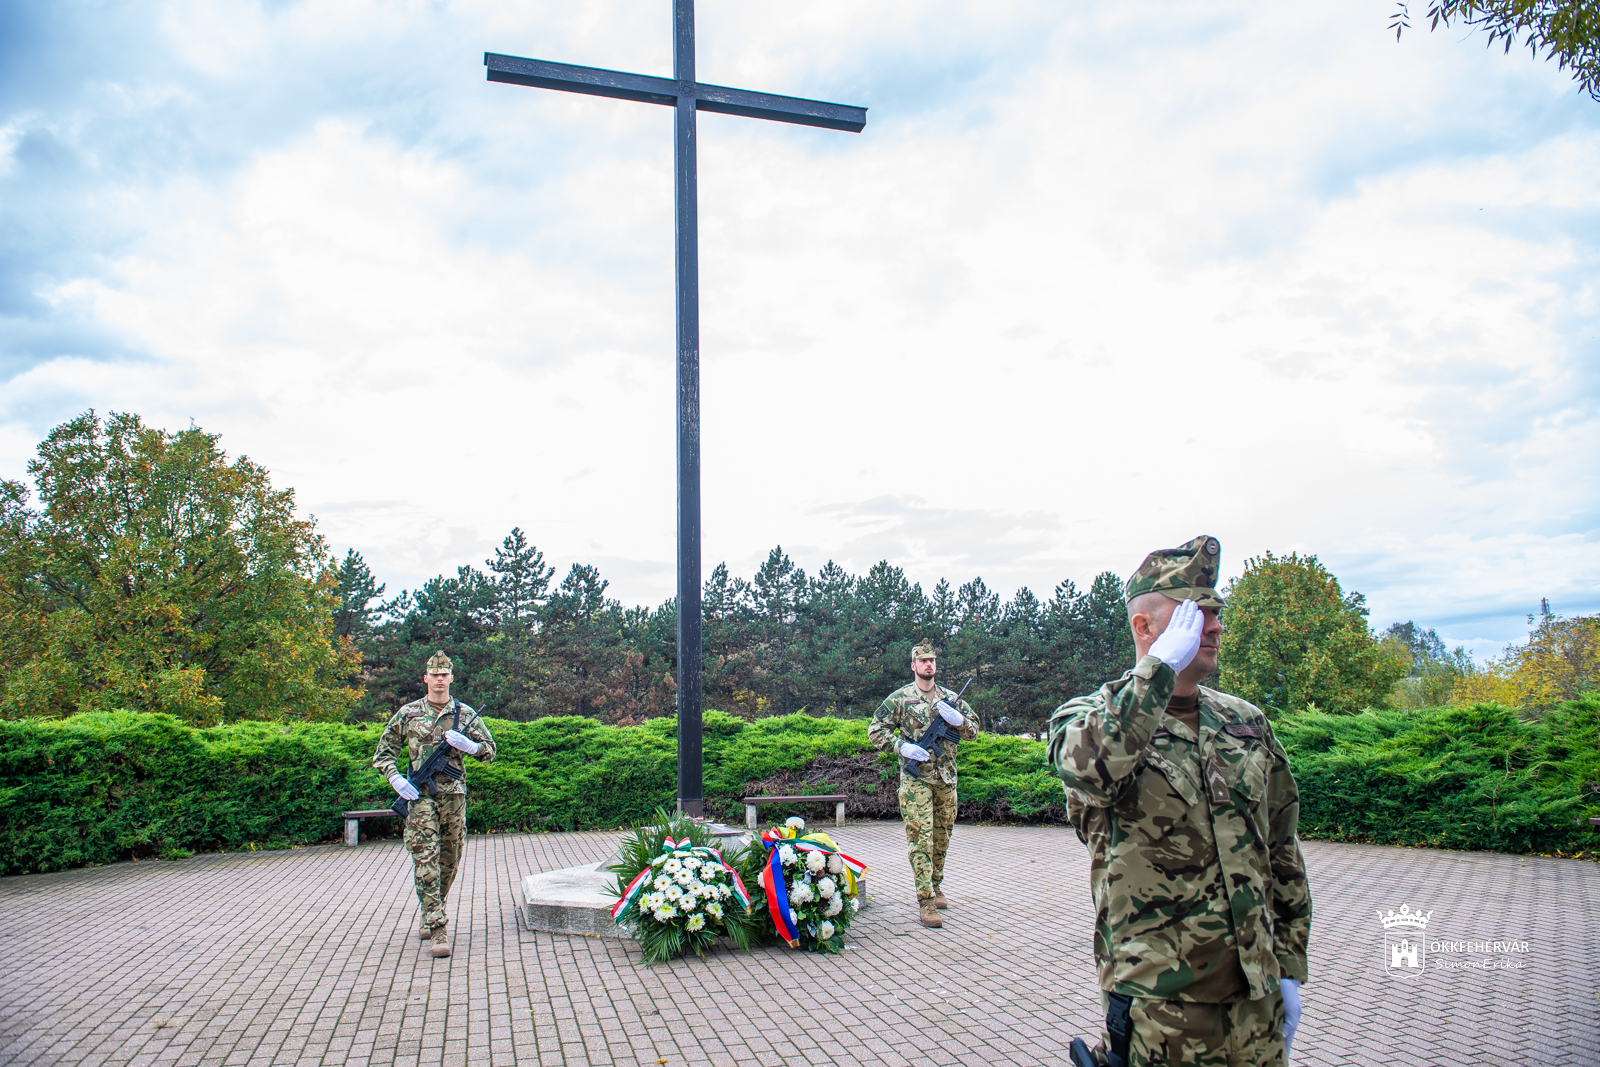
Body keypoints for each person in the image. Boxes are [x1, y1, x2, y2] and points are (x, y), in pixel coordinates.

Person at [1048, 535, 1310, 1067]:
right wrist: (1157, 672)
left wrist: (1287, 966)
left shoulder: (1245, 722)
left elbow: (1281, 851)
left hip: (1255, 998)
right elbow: (1091, 771)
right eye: (1197, 613)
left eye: (1216, 612)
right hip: (1161, 1003)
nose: (1215, 626)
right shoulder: (1088, 717)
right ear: (1144, 628)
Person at [372, 650, 496, 959]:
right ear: (426, 678)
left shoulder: (464, 714)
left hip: (454, 796)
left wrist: (469, 746)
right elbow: (383, 752)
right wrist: (395, 778)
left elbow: (490, 751)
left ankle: (430, 908)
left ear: (451, 678)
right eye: (434, 675)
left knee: (450, 858)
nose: (440, 679)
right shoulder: (409, 713)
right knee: (424, 856)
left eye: (445, 675)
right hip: (419, 797)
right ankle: (438, 927)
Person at [867, 640, 980, 929]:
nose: (928, 665)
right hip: (916, 779)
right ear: (914, 665)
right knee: (921, 837)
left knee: (942, 836)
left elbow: (974, 732)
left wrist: (959, 720)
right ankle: (925, 899)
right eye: (923, 661)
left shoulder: (951, 698)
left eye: (932, 660)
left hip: (946, 779)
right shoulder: (901, 699)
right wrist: (901, 747)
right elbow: (875, 730)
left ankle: (936, 883)